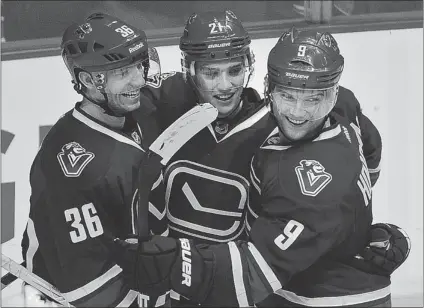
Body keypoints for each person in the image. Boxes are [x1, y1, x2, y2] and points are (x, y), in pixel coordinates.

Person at [106, 14, 411, 308]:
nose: (225, 85)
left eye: (234, 70)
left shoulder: (302, 115)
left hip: (242, 287)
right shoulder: (162, 103)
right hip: (175, 288)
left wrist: (346, 228)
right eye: (211, 73)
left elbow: (345, 176)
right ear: (189, 70)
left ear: (251, 65)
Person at [20, 12, 166, 307]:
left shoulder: (127, 110)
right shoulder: (75, 174)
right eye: (124, 72)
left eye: (139, 65)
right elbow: (89, 288)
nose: (140, 80)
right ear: (88, 80)